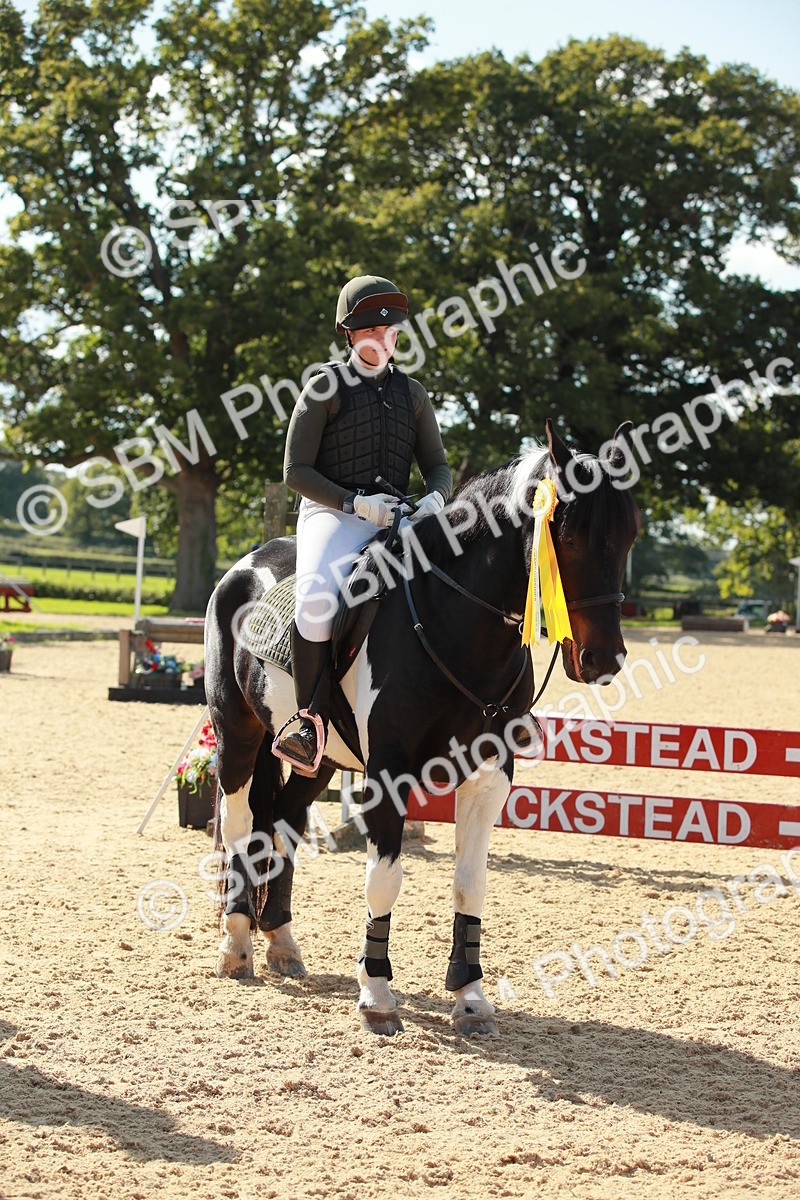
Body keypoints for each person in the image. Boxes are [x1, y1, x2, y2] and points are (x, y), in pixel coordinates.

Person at [275, 274, 453, 775]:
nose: (382, 340)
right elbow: (295, 472)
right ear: (350, 335)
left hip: (399, 517)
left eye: (390, 330)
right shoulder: (324, 387)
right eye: (371, 331)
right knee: (314, 600)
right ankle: (308, 721)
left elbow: (437, 464)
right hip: (334, 516)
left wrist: (436, 498)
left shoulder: (413, 394)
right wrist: (354, 503)